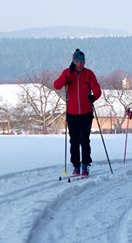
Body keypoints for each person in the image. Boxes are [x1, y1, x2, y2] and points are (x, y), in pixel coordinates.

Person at [53, 48, 102, 176]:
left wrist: (94, 97)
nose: (80, 64)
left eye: (82, 61)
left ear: (84, 62)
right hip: (72, 113)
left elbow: (97, 90)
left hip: (86, 113)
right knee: (74, 141)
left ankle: (85, 166)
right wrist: (67, 75)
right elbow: (57, 85)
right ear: (73, 61)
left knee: (84, 140)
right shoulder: (67, 73)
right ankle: (76, 166)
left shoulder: (89, 74)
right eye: (77, 61)